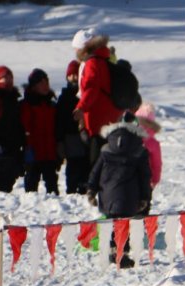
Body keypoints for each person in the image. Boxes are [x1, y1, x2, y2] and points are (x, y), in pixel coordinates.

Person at [88, 113, 151, 269]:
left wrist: (91, 190)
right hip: (130, 195)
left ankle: (113, 250)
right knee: (125, 224)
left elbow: (95, 172)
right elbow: (144, 177)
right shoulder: (139, 150)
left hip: (107, 194)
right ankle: (122, 254)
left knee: (111, 221)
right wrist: (145, 197)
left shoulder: (106, 149)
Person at [72, 29, 123, 168]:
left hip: (98, 117)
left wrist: (81, 107)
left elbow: (91, 88)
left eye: (76, 48)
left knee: (97, 159)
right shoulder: (104, 59)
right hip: (110, 114)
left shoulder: (92, 62)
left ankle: (96, 187)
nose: (75, 52)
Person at [21, 68, 60, 195]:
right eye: (41, 82)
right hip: (33, 152)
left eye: (46, 82)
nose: (45, 85)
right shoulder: (26, 105)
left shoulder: (52, 104)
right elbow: (24, 127)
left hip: (50, 152)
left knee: (53, 187)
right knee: (31, 187)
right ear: (34, 86)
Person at [0, 65, 26, 192]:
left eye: (10, 77)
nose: (8, 80)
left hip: (14, 147)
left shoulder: (15, 99)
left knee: (8, 181)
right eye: (5, 77)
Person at [55, 60, 89, 194]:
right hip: (70, 135)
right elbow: (59, 120)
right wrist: (60, 140)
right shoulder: (64, 97)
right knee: (73, 164)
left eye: (76, 74)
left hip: (85, 133)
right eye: (71, 75)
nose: (74, 77)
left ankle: (84, 187)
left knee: (86, 163)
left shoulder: (86, 95)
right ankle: (72, 189)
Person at [134, 101, 162, 189]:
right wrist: (155, 180)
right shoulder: (153, 143)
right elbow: (157, 164)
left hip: (128, 177)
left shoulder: (130, 136)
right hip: (146, 179)